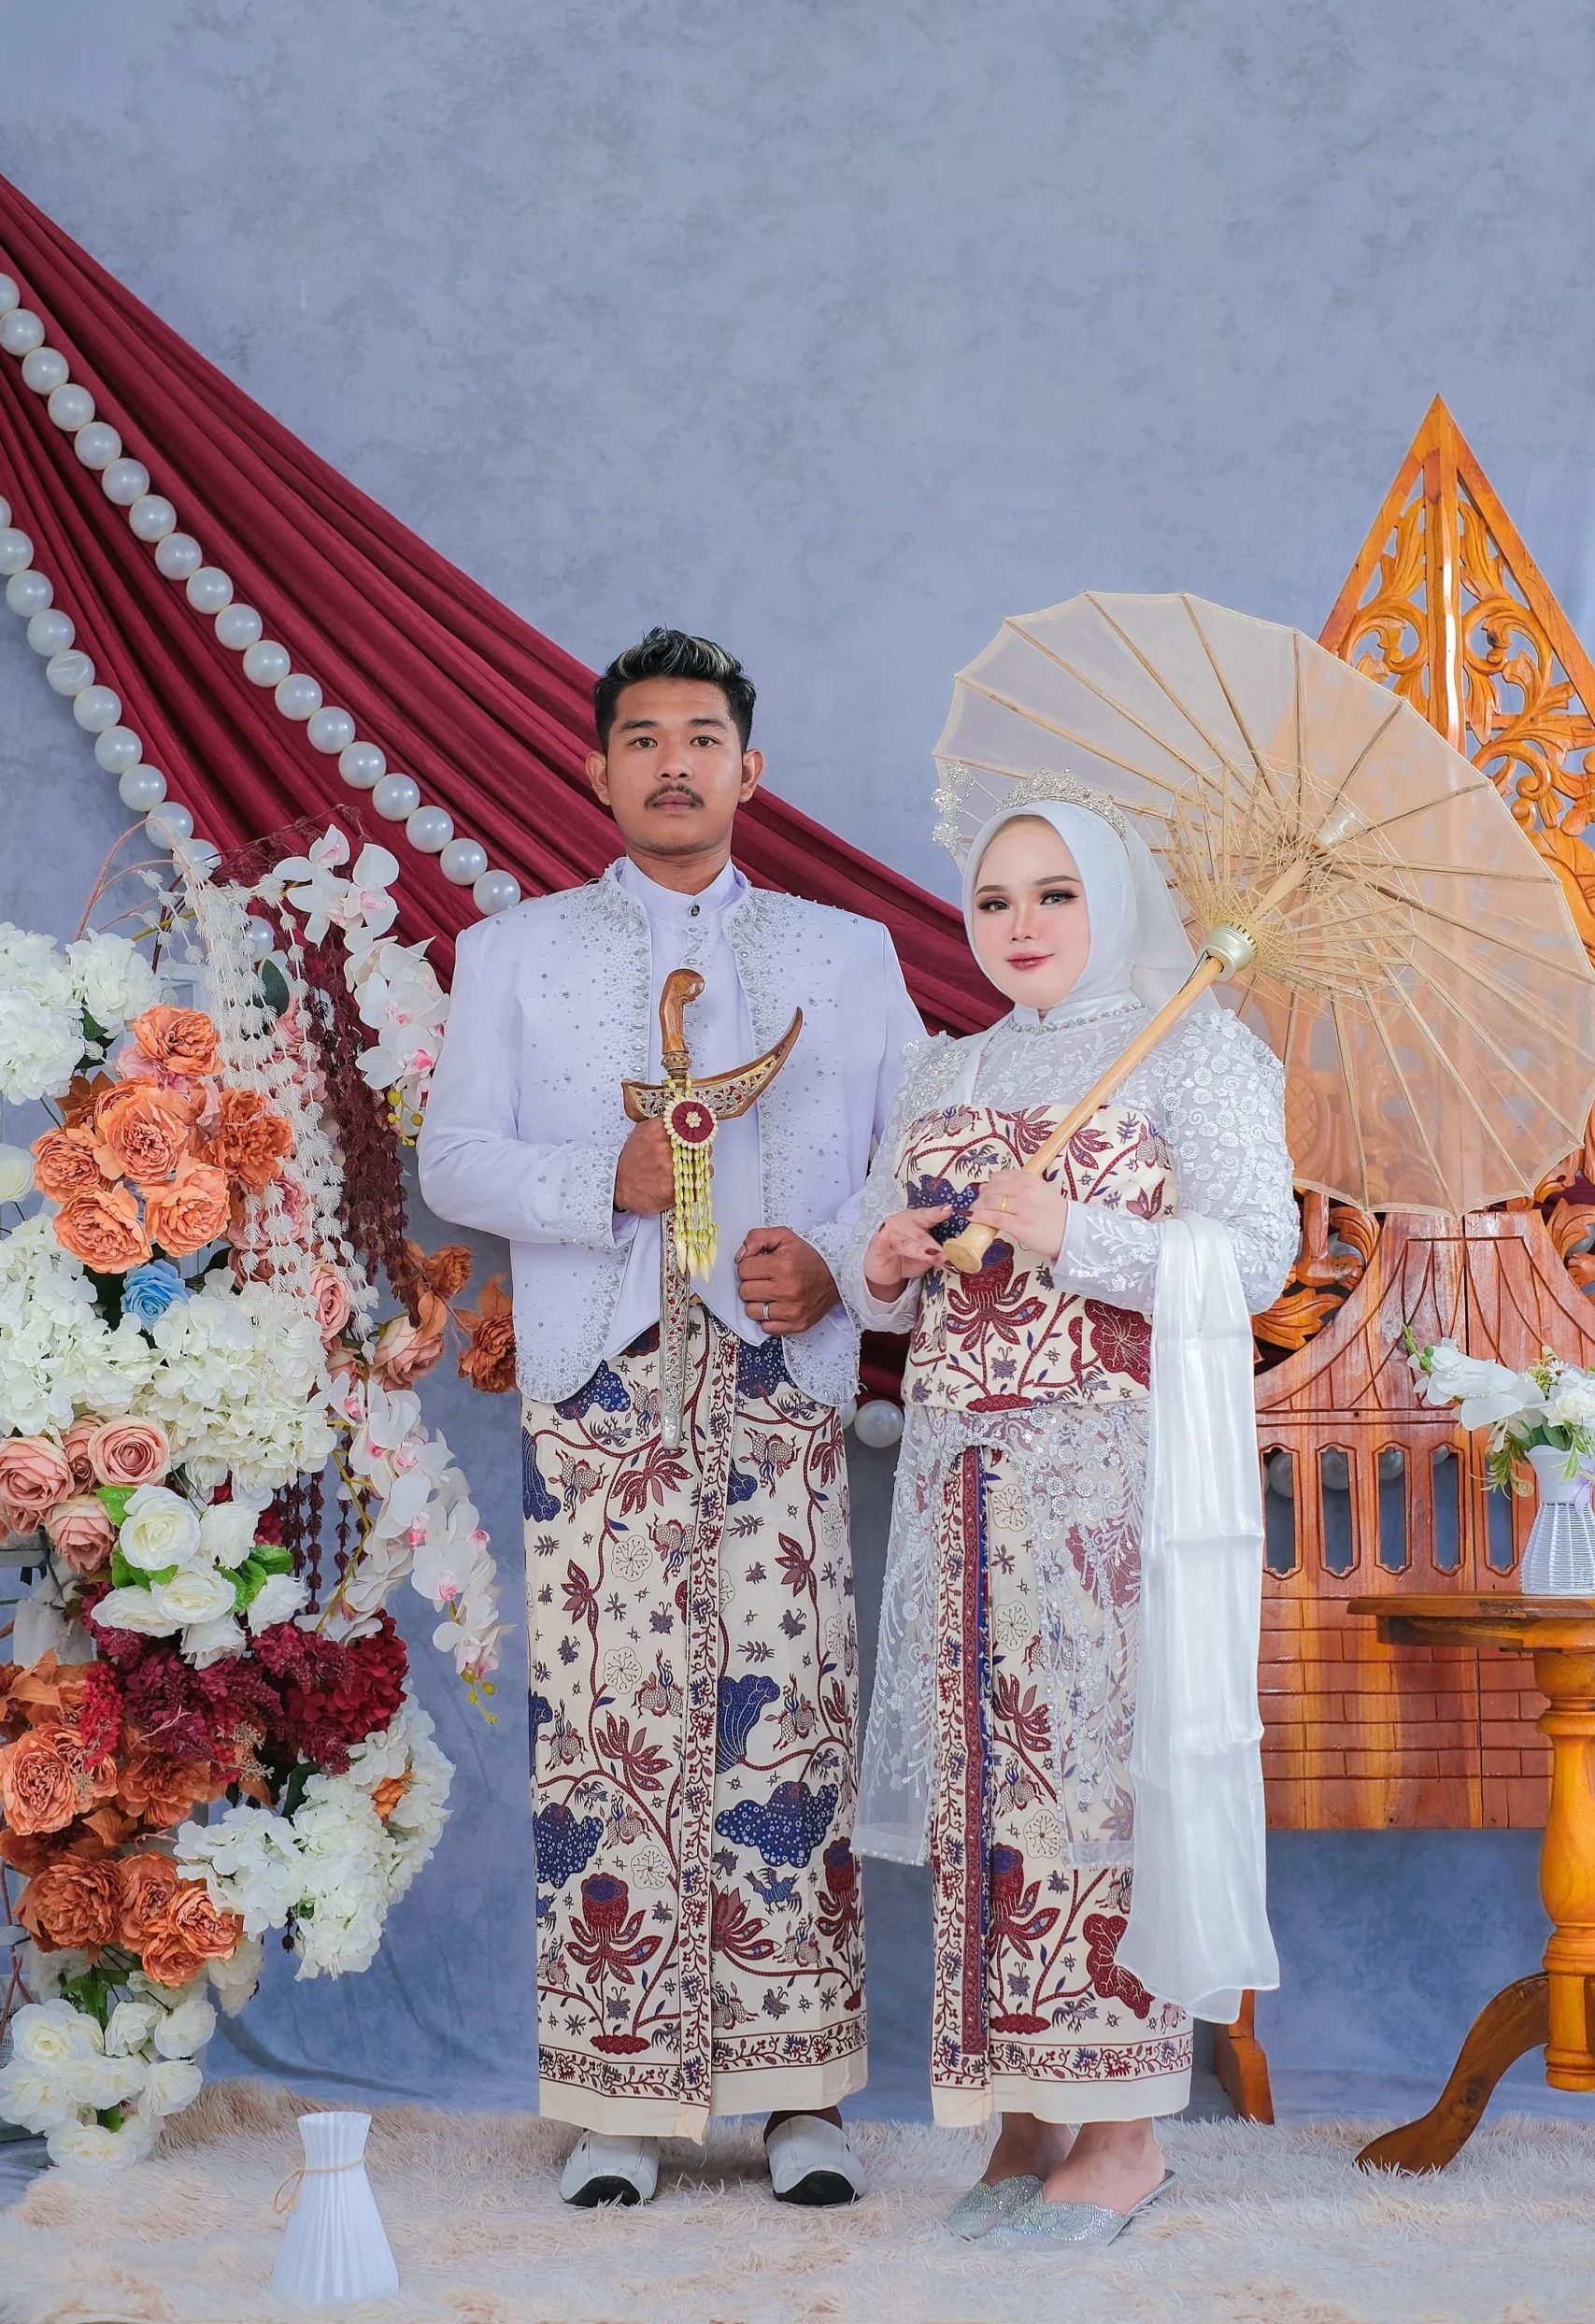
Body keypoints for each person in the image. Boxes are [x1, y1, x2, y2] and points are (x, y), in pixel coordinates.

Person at [418, 628, 922, 2208]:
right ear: (597, 770)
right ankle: (620, 2104)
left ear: (748, 770)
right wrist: (603, 1182)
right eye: (642, 739)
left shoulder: (844, 953)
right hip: (599, 1373)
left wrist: (832, 1260)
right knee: (607, 1719)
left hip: (777, 1371)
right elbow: (454, 1159)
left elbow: (912, 1155)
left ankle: (798, 2100)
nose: (673, 763)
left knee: (786, 1715)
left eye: (701, 737)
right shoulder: (513, 951)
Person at [840, 775, 1296, 2249]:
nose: (1019, 924)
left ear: (1113, 902)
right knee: (987, 1791)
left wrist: (1075, 1231)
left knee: (1095, 1785)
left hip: (1109, 1488)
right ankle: (1022, 2116)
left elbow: (1259, 1256)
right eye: (993, 899)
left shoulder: (1196, 1046)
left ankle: (1123, 2133)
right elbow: (884, 1274)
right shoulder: (946, 1071)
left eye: (1054, 894)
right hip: (961, 1484)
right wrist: (885, 1259)